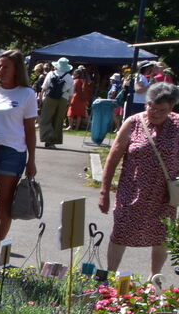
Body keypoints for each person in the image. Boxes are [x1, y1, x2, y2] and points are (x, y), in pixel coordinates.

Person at [98, 82, 179, 275]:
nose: (155, 113)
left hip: (164, 195)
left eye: (162, 110)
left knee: (162, 237)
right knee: (120, 232)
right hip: (131, 191)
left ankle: (154, 279)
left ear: (171, 108)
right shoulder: (133, 123)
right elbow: (113, 158)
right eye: (151, 107)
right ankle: (109, 277)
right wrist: (104, 191)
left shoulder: (177, 125)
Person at [0, 48, 37, 256]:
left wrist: (31, 160)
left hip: (13, 152)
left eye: (5, 67)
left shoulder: (27, 94)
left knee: (5, 202)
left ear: (16, 69)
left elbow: (30, 129)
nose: (0, 70)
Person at [38, 57, 73, 148]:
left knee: (46, 118)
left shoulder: (51, 74)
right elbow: (71, 93)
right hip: (63, 98)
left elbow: (44, 87)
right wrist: (69, 103)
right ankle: (54, 140)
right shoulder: (69, 77)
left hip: (50, 97)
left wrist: (41, 98)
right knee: (58, 120)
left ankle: (47, 138)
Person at [66, 65, 93, 131]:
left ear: (77, 74)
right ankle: (76, 128)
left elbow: (73, 89)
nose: (73, 74)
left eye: (74, 73)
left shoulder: (76, 81)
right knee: (79, 114)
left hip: (75, 97)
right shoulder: (84, 80)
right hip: (82, 98)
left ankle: (70, 126)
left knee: (70, 112)